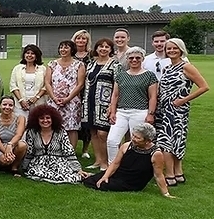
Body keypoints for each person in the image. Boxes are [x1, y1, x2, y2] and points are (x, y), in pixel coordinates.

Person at [155, 38, 208, 186]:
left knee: (167, 142)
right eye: (169, 49)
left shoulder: (187, 67)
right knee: (175, 141)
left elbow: (204, 87)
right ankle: (179, 174)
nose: (171, 51)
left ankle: (169, 176)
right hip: (164, 109)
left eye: (174, 48)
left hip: (177, 110)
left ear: (181, 50)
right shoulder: (167, 68)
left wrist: (183, 100)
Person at [84, 123, 175, 197]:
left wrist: (166, 193)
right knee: (93, 180)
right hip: (119, 175)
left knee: (100, 185)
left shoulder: (156, 154)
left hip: (133, 182)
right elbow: (115, 163)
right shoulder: (127, 146)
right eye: (133, 136)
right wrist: (105, 176)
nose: (133, 139)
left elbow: (158, 175)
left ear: (148, 141)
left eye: (137, 138)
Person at [106, 46, 158, 166]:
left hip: (140, 112)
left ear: (142, 59)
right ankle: (112, 166)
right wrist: (113, 112)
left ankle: (134, 166)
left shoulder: (149, 76)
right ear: (127, 59)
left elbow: (152, 97)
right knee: (112, 140)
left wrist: (151, 114)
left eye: (137, 58)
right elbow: (115, 95)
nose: (134, 60)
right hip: (122, 112)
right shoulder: (121, 76)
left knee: (137, 142)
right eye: (131, 58)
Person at [19, 105, 86, 184]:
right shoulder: (32, 132)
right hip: (39, 164)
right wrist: (24, 168)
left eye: (48, 118)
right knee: (36, 173)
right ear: (36, 120)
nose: (45, 120)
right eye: (42, 118)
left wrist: (78, 169)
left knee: (69, 176)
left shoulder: (60, 132)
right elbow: (30, 152)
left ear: (53, 119)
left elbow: (69, 152)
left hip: (58, 163)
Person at [82, 38, 120, 171]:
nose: (103, 49)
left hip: (105, 104)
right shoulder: (91, 63)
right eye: (101, 46)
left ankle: (106, 162)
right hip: (90, 102)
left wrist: (112, 105)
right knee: (93, 132)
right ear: (96, 49)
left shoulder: (115, 65)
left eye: (107, 47)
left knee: (103, 133)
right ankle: (98, 160)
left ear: (111, 50)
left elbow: (117, 85)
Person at [44, 40, 85, 151]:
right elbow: (47, 82)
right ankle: (54, 150)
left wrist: (68, 98)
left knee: (72, 128)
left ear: (72, 49)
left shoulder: (79, 65)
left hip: (72, 101)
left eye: (66, 47)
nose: (63, 50)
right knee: (53, 126)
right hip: (54, 100)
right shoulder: (52, 64)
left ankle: (70, 153)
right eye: (61, 47)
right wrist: (53, 98)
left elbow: (80, 84)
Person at [0, 95, 26, 174]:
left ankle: (14, 168)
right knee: (4, 161)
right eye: (4, 104)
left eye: (10, 105)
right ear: (0, 105)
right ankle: (2, 164)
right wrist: (7, 153)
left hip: (13, 143)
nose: (7, 107)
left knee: (22, 145)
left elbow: (19, 134)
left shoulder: (20, 118)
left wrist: (10, 145)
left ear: (14, 107)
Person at [71, 29, 93, 159]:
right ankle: (69, 146)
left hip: (87, 90)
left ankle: (85, 149)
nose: (81, 41)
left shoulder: (91, 55)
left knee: (86, 119)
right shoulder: (70, 54)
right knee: (72, 118)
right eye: (78, 38)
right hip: (71, 90)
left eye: (84, 38)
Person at [9, 44, 48, 118]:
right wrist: (21, 100)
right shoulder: (17, 68)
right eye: (27, 53)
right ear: (24, 55)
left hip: (38, 103)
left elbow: (46, 85)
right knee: (22, 125)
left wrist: (36, 97)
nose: (29, 55)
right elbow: (13, 85)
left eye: (32, 53)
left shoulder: (42, 69)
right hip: (20, 104)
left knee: (37, 125)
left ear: (36, 56)